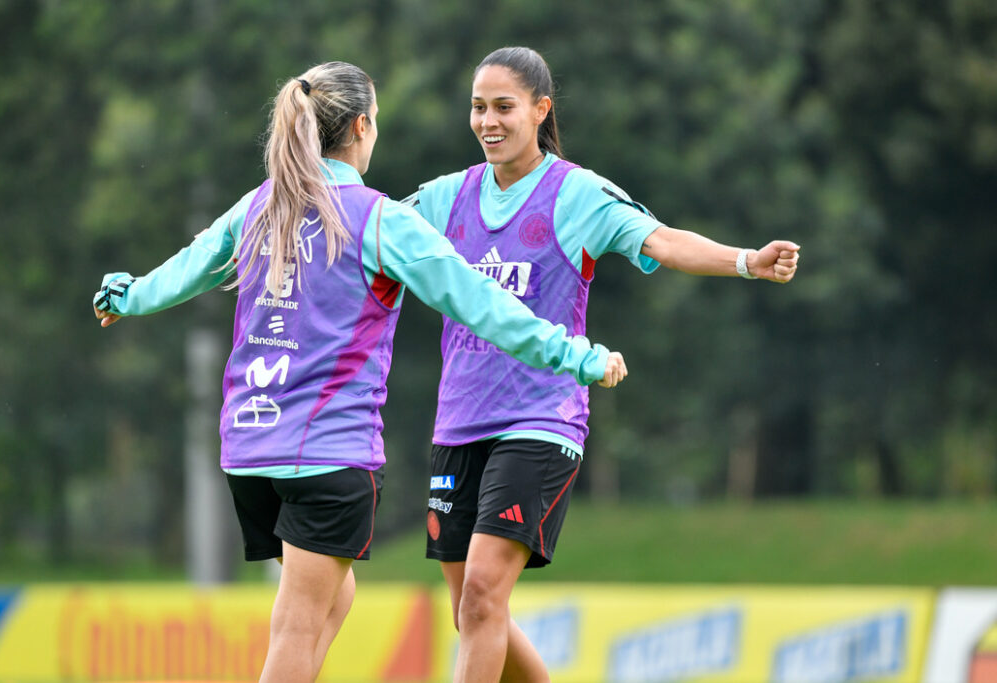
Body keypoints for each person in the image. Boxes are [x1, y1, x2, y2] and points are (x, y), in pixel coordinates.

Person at [91, 61, 627, 683]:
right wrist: (574, 354)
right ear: (362, 127)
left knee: (332, 597)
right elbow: (483, 305)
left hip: (247, 451)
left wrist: (126, 295)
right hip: (327, 457)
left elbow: (188, 269)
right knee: (297, 621)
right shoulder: (378, 218)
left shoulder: (261, 206)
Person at [403, 46, 801, 683]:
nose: (488, 122)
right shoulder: (445, 198)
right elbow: (364, 233)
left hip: (541, 421)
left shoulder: (576, 194)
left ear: (541, 109)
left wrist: (746, 259)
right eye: (478, 108)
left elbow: (665, 241)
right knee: (472, 611)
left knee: (481, 593)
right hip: (458, 424)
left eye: (504, 107)